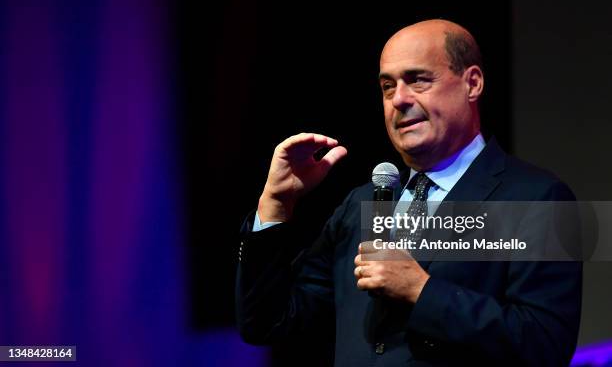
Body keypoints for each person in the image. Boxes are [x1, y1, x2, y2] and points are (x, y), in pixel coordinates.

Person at [236, 19, 582, 366]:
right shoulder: (362, 204)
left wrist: (422, 291)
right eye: (388, 86)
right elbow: (268, 323)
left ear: (472, 83)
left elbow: (544, 345)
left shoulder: (535, 199)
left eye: (417, 80)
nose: (398, 99)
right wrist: (275, 206)